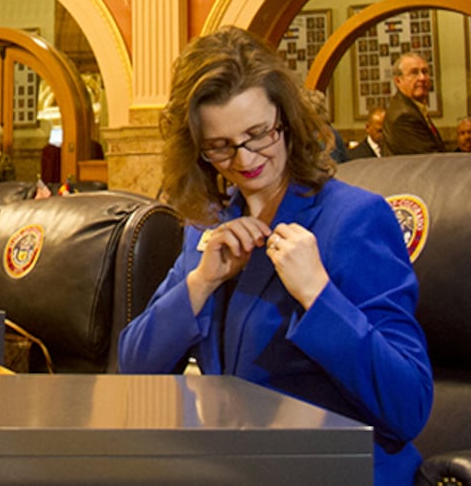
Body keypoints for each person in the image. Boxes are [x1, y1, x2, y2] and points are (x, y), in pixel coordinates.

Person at [117, 27, 432, 486]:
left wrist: (318, 295)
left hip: (338, 471)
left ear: (286, 119)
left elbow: (408, 407)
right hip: (236, 468)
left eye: (258, 134)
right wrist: (200, 284)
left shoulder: (354, 218)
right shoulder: (208, 228)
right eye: (220, 146)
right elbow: (134, 369)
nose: (244, 160)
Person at [383, 52, 444, 155]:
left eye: (425, 72)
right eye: (414, 73)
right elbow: (429, 158)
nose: (422, 78)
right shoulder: (403, 116)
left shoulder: (414, 106)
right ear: (398, 81)